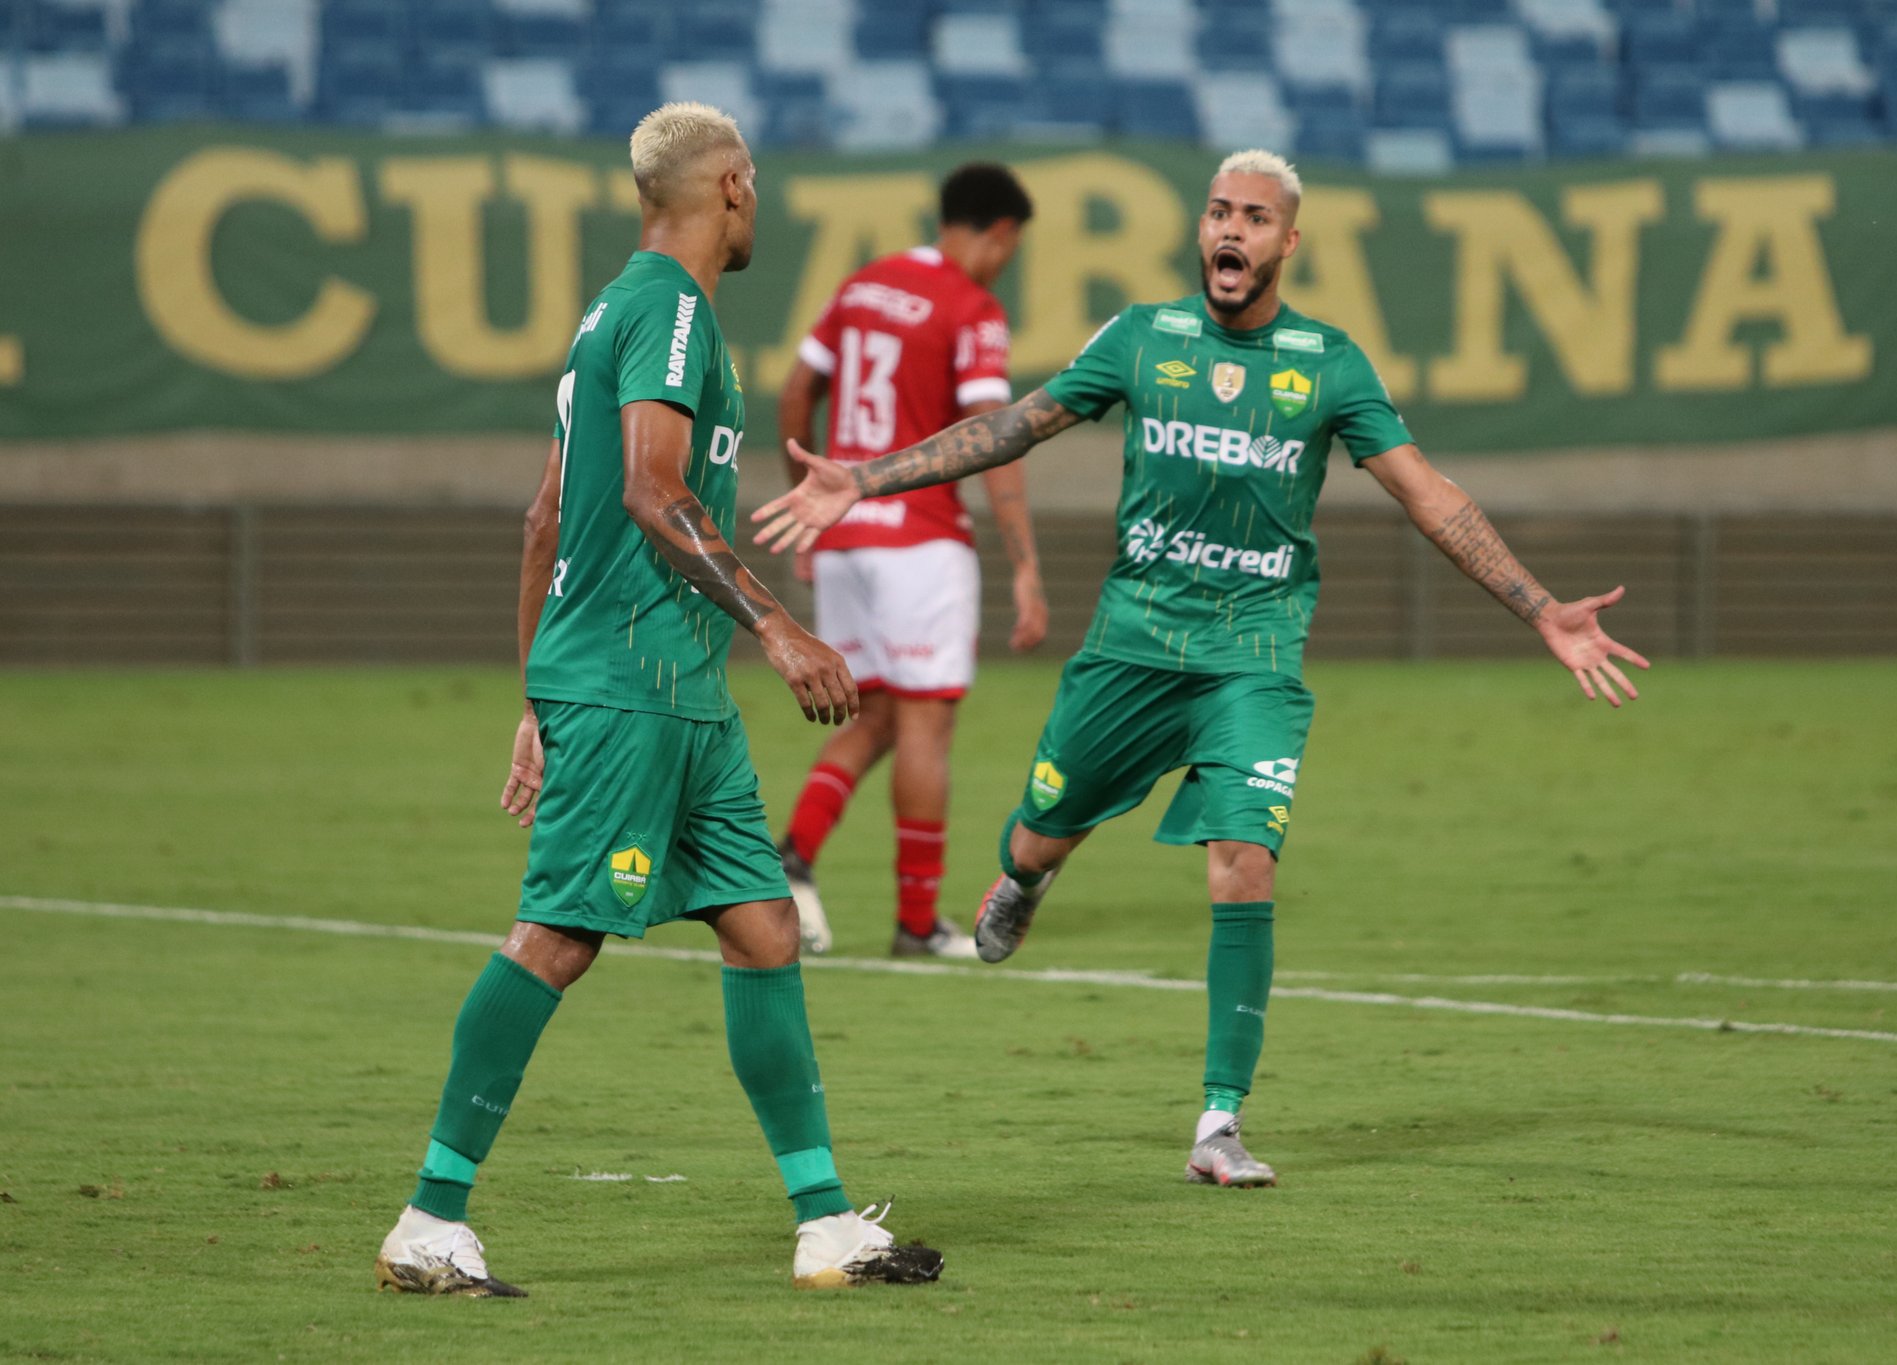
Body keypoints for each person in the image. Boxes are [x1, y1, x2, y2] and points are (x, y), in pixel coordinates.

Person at [753, 149, 1649, 1189]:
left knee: (1244, 858)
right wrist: (862, 476)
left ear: (1286, 243)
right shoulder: (1141, 337)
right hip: (1132, 645)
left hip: (1252, 656)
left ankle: (1217, 1122)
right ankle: (1030, 873)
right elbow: (1012, 427)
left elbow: (1428, 495)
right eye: (1218, 212)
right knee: (1043, 825)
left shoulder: (1329, 363)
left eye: (1254, 218)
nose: (1231, 231)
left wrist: (1540, 609)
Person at [373, 103, 941, 1298]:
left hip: (666, 691)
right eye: (758, 183)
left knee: (762, 924)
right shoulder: (671, 313)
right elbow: (646, 488)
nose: (760, 202)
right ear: (730, 186)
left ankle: (825, 1221)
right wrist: (777, 623)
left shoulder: (616, 315)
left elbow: (545, 517)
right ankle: (430, 1216)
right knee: (560, 935)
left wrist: (536, 695)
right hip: (634, 684)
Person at [775, 162, 1047, 960]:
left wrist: (809, 507)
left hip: (849, 531)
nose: (1006, 263)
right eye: (1011, 248)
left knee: (878, 715)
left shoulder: (863, 285)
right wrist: (1024, 563)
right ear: (998, 233)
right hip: (920, 539)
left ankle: (790, 858)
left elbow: (795, 394)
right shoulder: (973, 307)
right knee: (928, 721)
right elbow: (995, 438)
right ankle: (917, 922)